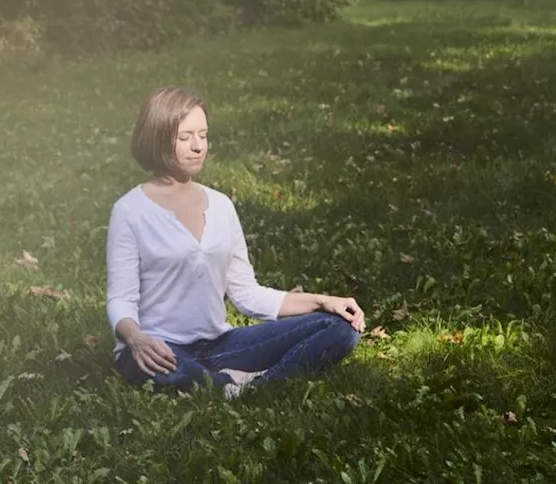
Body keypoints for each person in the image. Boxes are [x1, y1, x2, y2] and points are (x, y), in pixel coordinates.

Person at [106, 86, 363, 399]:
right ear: (158, 137)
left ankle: (249, 386)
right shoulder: (130, 210)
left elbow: (246, 293)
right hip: (158, 348)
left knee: (340, 328)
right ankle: (232, 383)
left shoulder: (221, 206)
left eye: (203, 135)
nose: (198, 146)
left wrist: (323, 301)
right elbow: (121, 298)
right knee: (152, 365)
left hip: (220, 346)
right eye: (185, 137)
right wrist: (135, 339)